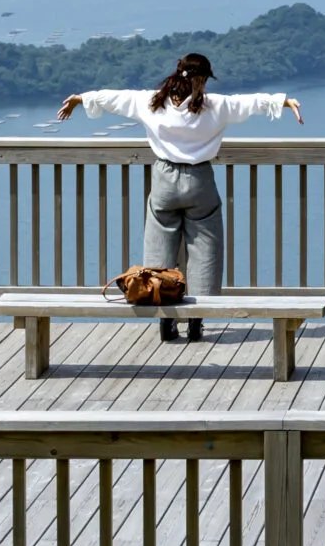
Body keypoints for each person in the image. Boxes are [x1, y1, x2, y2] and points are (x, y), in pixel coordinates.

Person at [58, 52, 302, 343]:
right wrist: (285, 102)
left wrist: (81, 99)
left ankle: (165, 317)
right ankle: (197, 321)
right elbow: (251, 103)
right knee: (205, 252)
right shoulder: (216, 107)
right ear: (203, 79)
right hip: (200, 182)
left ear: (178, 72)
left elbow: (116, 98)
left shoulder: (152, 103)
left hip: (164, 181)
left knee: (160, 252)